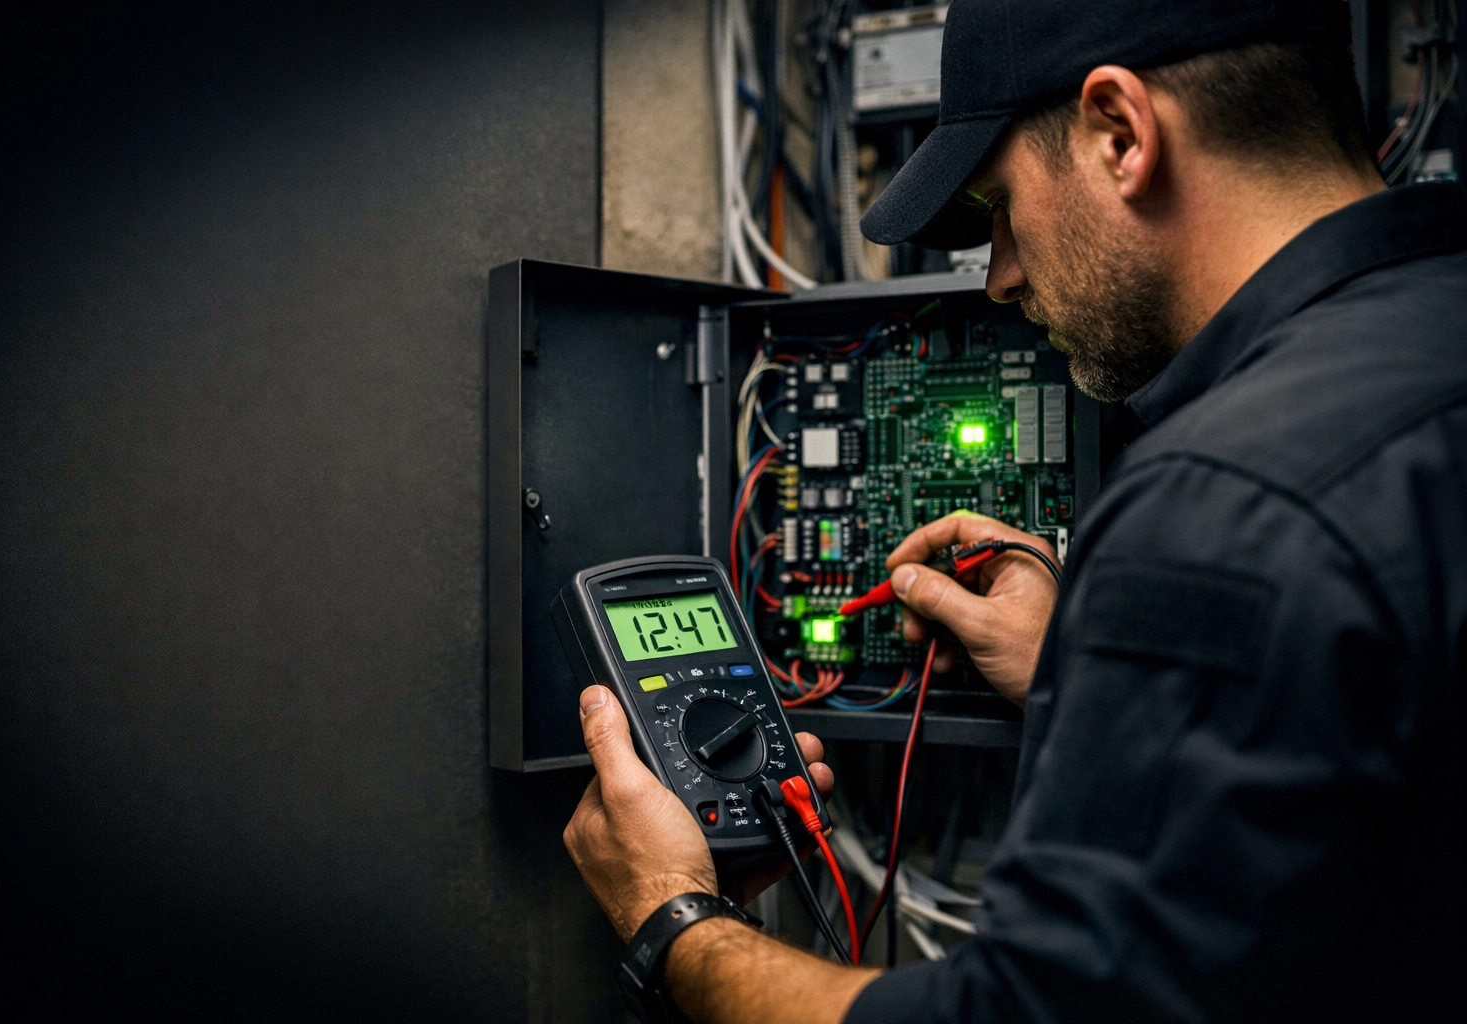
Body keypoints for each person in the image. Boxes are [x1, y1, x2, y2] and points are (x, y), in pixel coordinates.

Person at [563, 0, 1467, 1020]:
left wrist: (674, 918)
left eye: (999, 204)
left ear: (1120, 133)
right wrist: (1083, 674)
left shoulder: (1224, 500)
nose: (998, 276)